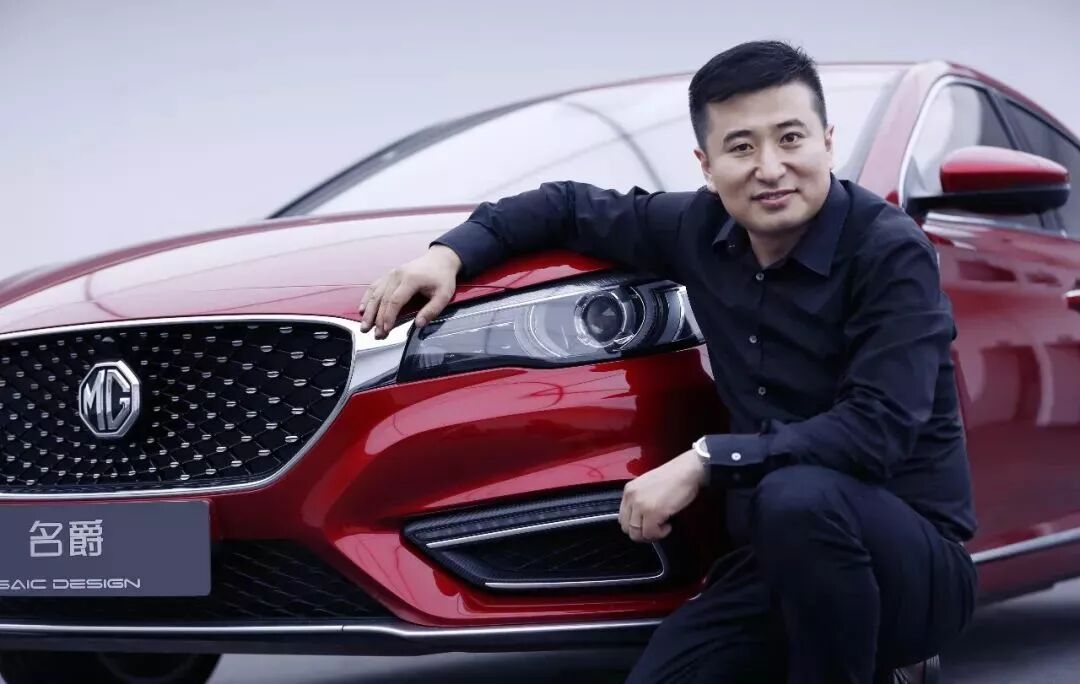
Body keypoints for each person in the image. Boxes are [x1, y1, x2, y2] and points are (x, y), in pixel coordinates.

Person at [357, 40, 978, 684]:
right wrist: (447, 255)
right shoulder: (698, 229)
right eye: (741, 147)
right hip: (774, 563)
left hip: (909, 567)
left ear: (827, 142)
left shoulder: (889, 251)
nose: (770, 168)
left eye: (790, 138)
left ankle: (887, 667)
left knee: (798, 497)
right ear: (706, 166)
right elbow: (564, 205)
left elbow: (876, 432)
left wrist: (707, 460)